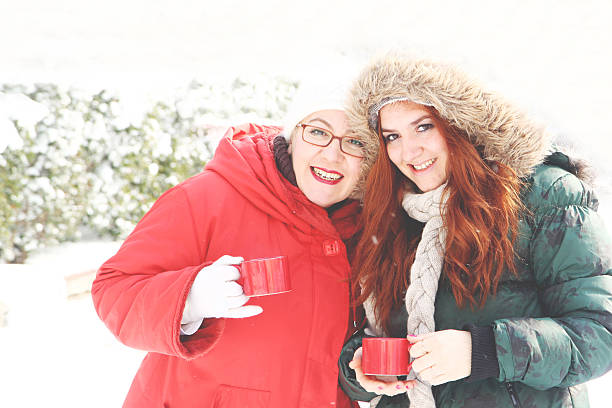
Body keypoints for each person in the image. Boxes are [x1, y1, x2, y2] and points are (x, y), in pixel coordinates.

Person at [338, 55, 612, 407]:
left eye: (424, 126)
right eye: (392, 136)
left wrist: (482, 351)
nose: (409, 151)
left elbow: (599, 335)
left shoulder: (543, 196)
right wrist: (359, 369)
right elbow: (378, 333)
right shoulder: (391, 218)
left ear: (462, 123)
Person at [92, 76, 367, 407]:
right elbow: (115, 290)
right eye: (318, 132)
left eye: (355, 141)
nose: (333, 154)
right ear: (293, 136)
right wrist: (189, 298)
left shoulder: (368, 228)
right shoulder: (207, 199)